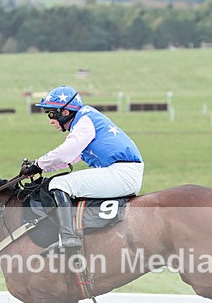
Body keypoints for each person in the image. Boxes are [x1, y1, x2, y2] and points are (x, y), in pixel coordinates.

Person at [21, 85, 144, 256]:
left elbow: (66, 151)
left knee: (59, 184)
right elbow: (70, 158)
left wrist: (38, 164)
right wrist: (39, 168)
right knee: (64, 184)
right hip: (124, 172)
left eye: (51, 114)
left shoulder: (84, 121)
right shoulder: (86, 118)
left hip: (122, 173)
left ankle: (68, 238)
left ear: (64, 112)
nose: (50, 120)